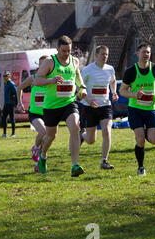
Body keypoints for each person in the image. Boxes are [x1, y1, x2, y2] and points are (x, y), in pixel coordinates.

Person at [34, 35, 87, 177]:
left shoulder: (74, 61)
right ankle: (43, 154)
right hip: (51, 106)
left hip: (69, 102)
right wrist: (52, 80)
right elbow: (37, 81)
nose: (66, 54)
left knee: (75, 127)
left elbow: (78, 77)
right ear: (57, 49)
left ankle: (74, 165)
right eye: (64, 51)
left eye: (69, 51)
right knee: (51, 136)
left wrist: (82, 88)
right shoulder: (49, 62)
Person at [119, 42, 155, 176]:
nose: (146, 54)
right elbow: (122, 91)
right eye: (143, 52)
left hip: (151, 109)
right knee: (140, 140)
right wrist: (134, 94)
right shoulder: (131, 71)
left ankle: (143, 131)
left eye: (148, 52)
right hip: (135, 110)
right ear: (137, 53)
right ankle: (141, 167)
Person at [80, 46, 118, 169]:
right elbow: (79, 87)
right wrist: (88, 99)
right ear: (96, 55)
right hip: (90, 107)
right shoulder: (87, 70)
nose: (105, 57)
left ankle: (104, 161)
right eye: (102, 54)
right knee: (91, 140)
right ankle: (82, 135)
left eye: (106, 54)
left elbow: (113, 81)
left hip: (105, 105)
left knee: (107, 131)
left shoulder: (110, 69)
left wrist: (114, 92)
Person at [17, 55, 49, 173]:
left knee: (46, 140)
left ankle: (39, 163)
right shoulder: (33, 78)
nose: (43, 66)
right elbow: (19, 87)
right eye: (41, 64)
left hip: (48, 113)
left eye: (45, 64)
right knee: (43, 132)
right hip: (35, 113)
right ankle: (35, 148)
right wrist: (20, 103)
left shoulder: (52, 79)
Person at [1, 71, 18, 138]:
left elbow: (15, 93)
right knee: (4, 118)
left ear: (9, 76)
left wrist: (16, 103)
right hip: (6, 103)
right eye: (4, 76)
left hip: (11, 104)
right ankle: (4, 133)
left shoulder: (11, 83)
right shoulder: (5, 83)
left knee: (12, 119)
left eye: (6, 75)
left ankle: (13, 133)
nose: (5, 77)